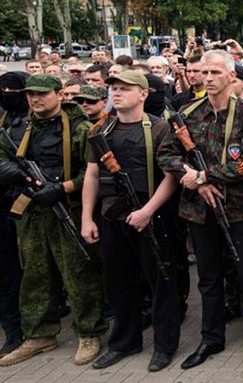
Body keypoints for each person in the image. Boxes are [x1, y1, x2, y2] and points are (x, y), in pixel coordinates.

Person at [157, 50, 243, 371]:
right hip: (198, 210)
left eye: (215, 72)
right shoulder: (187, 114)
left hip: (239, 209)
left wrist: (204, 176)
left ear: (231, 76)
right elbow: (166, 154)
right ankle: (211, 338)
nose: (207, 78)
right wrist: (190, 179)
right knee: (208, 279)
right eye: (203, 72)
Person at [0, 74, 106, 368]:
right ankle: (38, 333)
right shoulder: (19, 128)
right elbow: (3, 158)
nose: (34, 99)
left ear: (59, 94)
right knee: (35, 273)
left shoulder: (79, 128)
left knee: (78, 272)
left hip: (67, 208)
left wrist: (63, 187)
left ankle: (89, 332)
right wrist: (18, 177)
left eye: (42, 94)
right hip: (32, 210)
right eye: (30, 94)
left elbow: (93, 173)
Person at [79, 71, 181, 372]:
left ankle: (164, 346)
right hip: (113, 216)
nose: (117, 94)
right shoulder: (101, 129)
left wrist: (148, 211)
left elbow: (170, 176)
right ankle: (124, 342)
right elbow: (92, 175)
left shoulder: (160, 128)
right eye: (114, 89)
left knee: (161, 283)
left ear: (143, 94)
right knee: (118, 283)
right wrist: (87, 218)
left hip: (152, 215)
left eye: (125, 89)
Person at [0, 72, 29, 356]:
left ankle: (20, 329)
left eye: (13, 89)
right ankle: (12, 328)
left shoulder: (34, 122)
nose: (7, 93)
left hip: (24, 201)